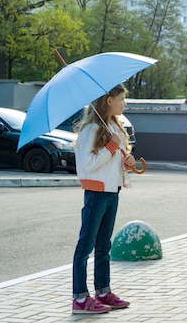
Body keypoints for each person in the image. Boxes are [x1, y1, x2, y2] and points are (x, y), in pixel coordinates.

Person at [71, 84, 135, 314]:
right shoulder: (90, 130)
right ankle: (79, 298)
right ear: (109, 100)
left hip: (112, 191)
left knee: (103, 246)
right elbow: (88, 166)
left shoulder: (112, 126)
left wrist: (126, 162)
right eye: (121, 99)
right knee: (85, 245)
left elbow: (110, 162)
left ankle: (103, 291)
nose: (124, 103)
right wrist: (112, 146)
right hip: (96, 192)